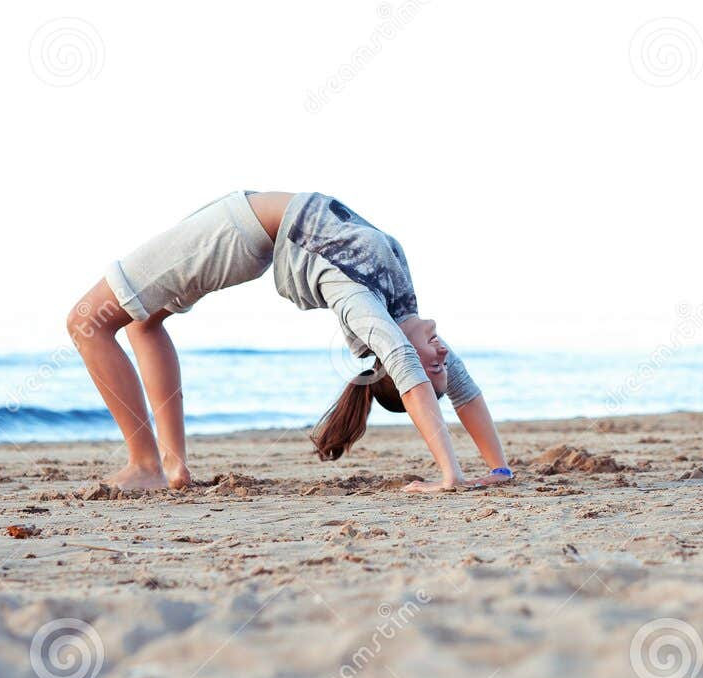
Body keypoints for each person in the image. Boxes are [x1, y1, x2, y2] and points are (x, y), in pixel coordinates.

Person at [65, 191, 511, 494]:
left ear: (398, 361)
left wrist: (449, 476)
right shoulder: (400, 304)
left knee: (87, 323)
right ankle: (172, 466)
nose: (446, 356)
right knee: (145, 322)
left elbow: (409, 369)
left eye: (433, 367)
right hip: (247, 225)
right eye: (442, 366)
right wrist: (499, 469)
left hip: (236, 231)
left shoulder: (365, 310)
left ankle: (145, 467)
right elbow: (462, 387)